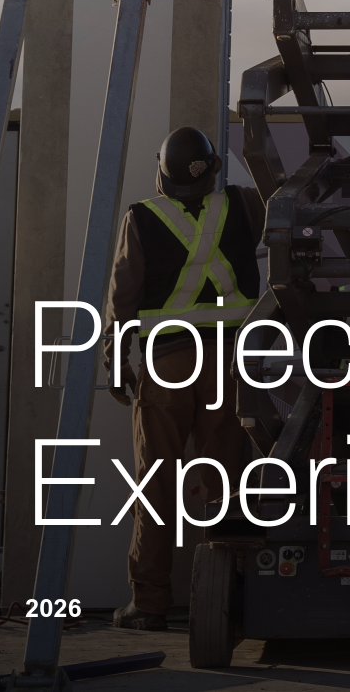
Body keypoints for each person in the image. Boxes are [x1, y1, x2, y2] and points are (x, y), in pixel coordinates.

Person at [104, 128, 262, 632]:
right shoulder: (244, 205)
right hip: (227, 365)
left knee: (155, 483)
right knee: (226, 483)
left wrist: (116, 361)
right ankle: (232, 596)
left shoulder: (141, 217)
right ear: (212, 169)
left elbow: (123, 297)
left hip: (166, 366)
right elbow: (293, 201)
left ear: (162, 173)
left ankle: (150, 604)